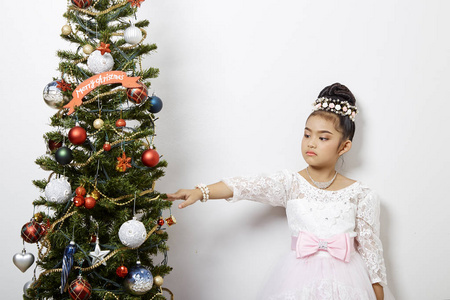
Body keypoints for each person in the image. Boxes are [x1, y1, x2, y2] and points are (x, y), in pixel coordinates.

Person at [167, 83, 395, 300]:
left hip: (347, 285)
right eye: (307, 135)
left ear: (344, 146)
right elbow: (246, 185)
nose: (311, 143)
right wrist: (201, 191)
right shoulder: (290, 183)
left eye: (323, 137)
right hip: (297, 281)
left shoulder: (361, 194)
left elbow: (373, 255)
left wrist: (377, 294)